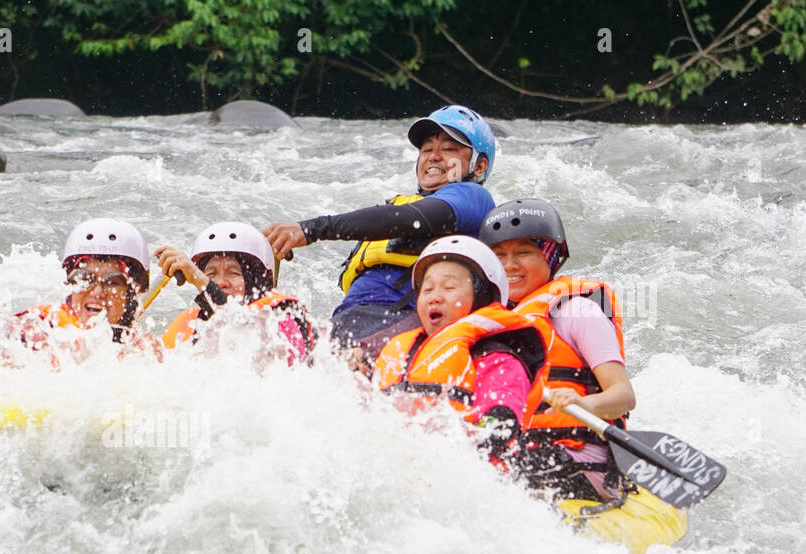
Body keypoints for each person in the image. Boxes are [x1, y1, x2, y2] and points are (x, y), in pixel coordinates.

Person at [264, 105, 497, 357]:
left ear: (480, 166)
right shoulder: (397, 205)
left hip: (402, 324)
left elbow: (413, 218)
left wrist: (311, 230)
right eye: (427, 149)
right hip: (351, 321)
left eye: (449, 148)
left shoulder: (473, 197)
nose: (433, 156)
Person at [479, 199, 635, 500]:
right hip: (521, 451)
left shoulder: (577, 311)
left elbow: (624, 397)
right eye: (499, 256)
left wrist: (585, 403)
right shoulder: (489, 324)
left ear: (550, 257)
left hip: (581, 458)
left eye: (523, 252)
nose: (509, 265)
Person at [371, 235, 551, 466]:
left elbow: (502, 414)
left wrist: (477, 448)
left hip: (465, 471)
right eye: (427, 290)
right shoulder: (399, 352)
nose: (435, 297)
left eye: (449, 287)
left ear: (482, 299)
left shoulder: (496, 356)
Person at [152, 222, 315, 365]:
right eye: (211, 273)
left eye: (233, 273)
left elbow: (242, 329)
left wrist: (202, 281)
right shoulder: (190, 325)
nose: (221, 282)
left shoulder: (279, 321)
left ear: (255, 283)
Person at [9, 217, 163, 364]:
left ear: (133, 292)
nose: (97, 292)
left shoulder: (144, 351)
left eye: (112, 283)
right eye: (86, 278)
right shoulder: (37, 329)